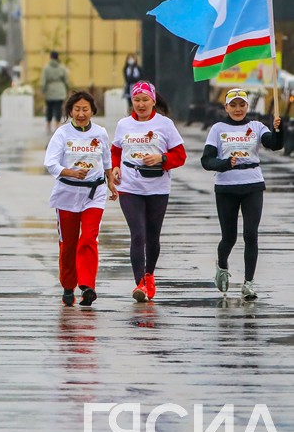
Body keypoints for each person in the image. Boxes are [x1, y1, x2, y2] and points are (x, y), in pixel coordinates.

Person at [201, 88, 283, 301]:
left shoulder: (256, 126)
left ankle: (249, 283)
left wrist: (278, 130)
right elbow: (206, 160)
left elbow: (274, 144)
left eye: (242, 105)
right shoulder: (218, 129)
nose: (238, 109)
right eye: (233, 105)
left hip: (252, 184)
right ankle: (222, 265)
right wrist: (225, 163)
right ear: (226, 107)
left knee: (251, 234)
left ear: (247, 106)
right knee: (229, 237)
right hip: (226, 187)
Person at [110, 81, 186, 302]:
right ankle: (140, 284)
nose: (141, 104)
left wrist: (161, 158)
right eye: (137, 100)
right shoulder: (124, 124)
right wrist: (115, 167)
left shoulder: (165, 124)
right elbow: (116, 150)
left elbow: (180, 156)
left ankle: (150, 275)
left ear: (153, 100)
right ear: (131, 101)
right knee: (138, 234)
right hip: (129, 186)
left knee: (152, 236)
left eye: (145, 100)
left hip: (157, 187)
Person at [44, 91, 118, 307]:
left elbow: (106, 159)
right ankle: (68, 285)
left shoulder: (100, 133)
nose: (81, 113)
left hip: (94, 194)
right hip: (67, 194)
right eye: (77, 109)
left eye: (85, 109)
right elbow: (50, 163)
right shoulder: (62, 134)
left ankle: (87, 285)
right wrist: (70, 172)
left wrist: (110, 180)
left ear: (92, 111)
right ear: (70, 111)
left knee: (89, 238)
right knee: (68, 244)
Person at [40, 50, 69, 132]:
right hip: (60, 90)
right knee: (58, 108)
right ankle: (57, 125)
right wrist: (67, 88)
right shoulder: (62, 67)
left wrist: (43, 90)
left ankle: (48, 125)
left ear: (50, 57)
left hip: (49, 90)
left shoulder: (46, 68)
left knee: (49, 108)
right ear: (57, 57)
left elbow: (43, 81)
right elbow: (66, 80)